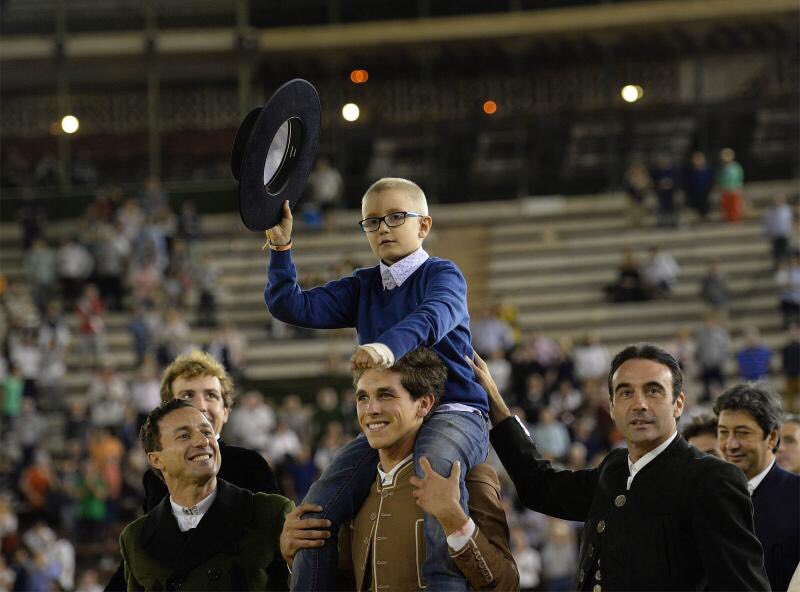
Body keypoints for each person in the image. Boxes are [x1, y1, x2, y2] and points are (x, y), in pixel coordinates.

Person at [265, 177, 490, 590]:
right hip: (390, 418)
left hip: (454, 411)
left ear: (423, 226)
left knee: (434, 471)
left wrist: (387, 348)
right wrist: (282, 249)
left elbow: (434, 316)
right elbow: (290, 304)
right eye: (371, 222)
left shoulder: (443, 274)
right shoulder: (363, 284)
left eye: (395, 217)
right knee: (315, 510)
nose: (383, 228)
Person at [472, 344, 769, 590]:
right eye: (626, 392)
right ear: (612, 407)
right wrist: (496, 405)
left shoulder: (711, 478)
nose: (639, 404)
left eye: (653, 391)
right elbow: (541, 487)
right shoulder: (614, 468)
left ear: (678, 404)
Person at [279, 349, 518, 591]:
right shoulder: (350, 488)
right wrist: (295, 557)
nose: (371, 409)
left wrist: (456, 521)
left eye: (386, 395)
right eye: (362, 397)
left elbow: (507, 586)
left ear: (424, 404)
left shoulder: (468, 478)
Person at [105, 350, 279, 591]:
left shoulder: (251, 465)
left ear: (226, 411)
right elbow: (144, 560)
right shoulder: (154, 482)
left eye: (211, 395)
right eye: (187, 395)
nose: (200, 405)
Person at [120, 400, 293, 590]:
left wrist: (293, 564)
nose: (203, 441)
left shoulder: (272, 513)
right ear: (156, 459)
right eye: (184, 436)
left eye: (207, 432)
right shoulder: (135, 538)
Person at [715, 384, 800, 592]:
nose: (731, 444)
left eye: (743, 433)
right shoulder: (708, 496)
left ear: (772, 438)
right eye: (723, 432)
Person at [717, 147, 745, 223]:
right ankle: (728, 220)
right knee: (726, 207)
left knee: (735, 207)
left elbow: (740, 178)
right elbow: (719, 179)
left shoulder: (736, 167)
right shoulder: (721, 168)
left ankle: (735, 221)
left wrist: (738, 188)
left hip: (734, 190)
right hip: (725, 190)